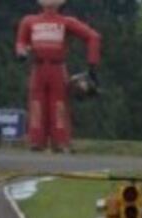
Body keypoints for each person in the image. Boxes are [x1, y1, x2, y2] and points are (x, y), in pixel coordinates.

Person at [15, 0, 101, 152]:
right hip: (41, 66)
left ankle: (58, 141)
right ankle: (39, 141)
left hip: (55, 66)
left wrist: (92, 66)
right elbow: (21, 41)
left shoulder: (64, 21)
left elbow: (93, 37)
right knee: (38, 104)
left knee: (57, 104)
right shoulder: (30, 21)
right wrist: (21, 51)